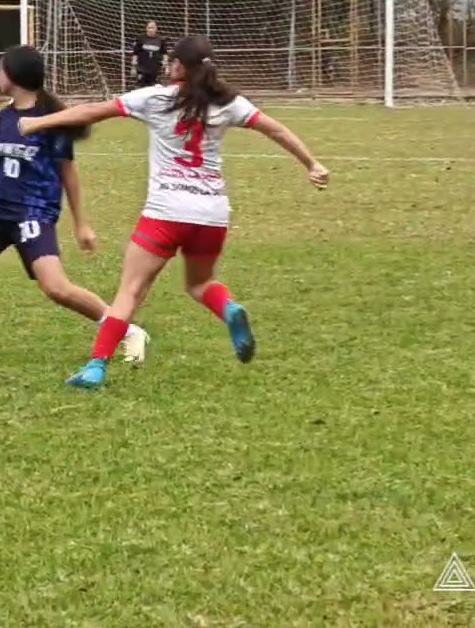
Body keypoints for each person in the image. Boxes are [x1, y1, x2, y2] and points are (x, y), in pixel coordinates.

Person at [18, 35, 328, 389]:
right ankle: (228, 309)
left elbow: (92, 111)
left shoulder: (155, 98)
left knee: (130, 291)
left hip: (165, 213)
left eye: (171, 61)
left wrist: (38, 123)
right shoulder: (228, 102)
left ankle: (96, 366)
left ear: (178, 66)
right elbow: (275, 128)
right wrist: (311, 163)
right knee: (200, 283)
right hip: (211, 215)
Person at [0, 45, 149, 368]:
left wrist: (81, 223)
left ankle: (129, 330)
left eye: (0, 69)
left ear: (15, 77)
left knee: (57, 288)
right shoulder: (5, 115)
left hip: (32, 213)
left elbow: (69, 175)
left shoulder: (52, 122)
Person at [132, 21, 169, 88]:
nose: (151, 30)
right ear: (146, 28)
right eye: (149, 28)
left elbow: (165, 54)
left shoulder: (161, 39)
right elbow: (135, 54)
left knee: (154, 88)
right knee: (141, 88)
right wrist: (133, 67)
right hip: (142, 69)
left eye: (153, 28)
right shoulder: (140, 38)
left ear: (156, 29)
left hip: (155, 69)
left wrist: (166, 67)